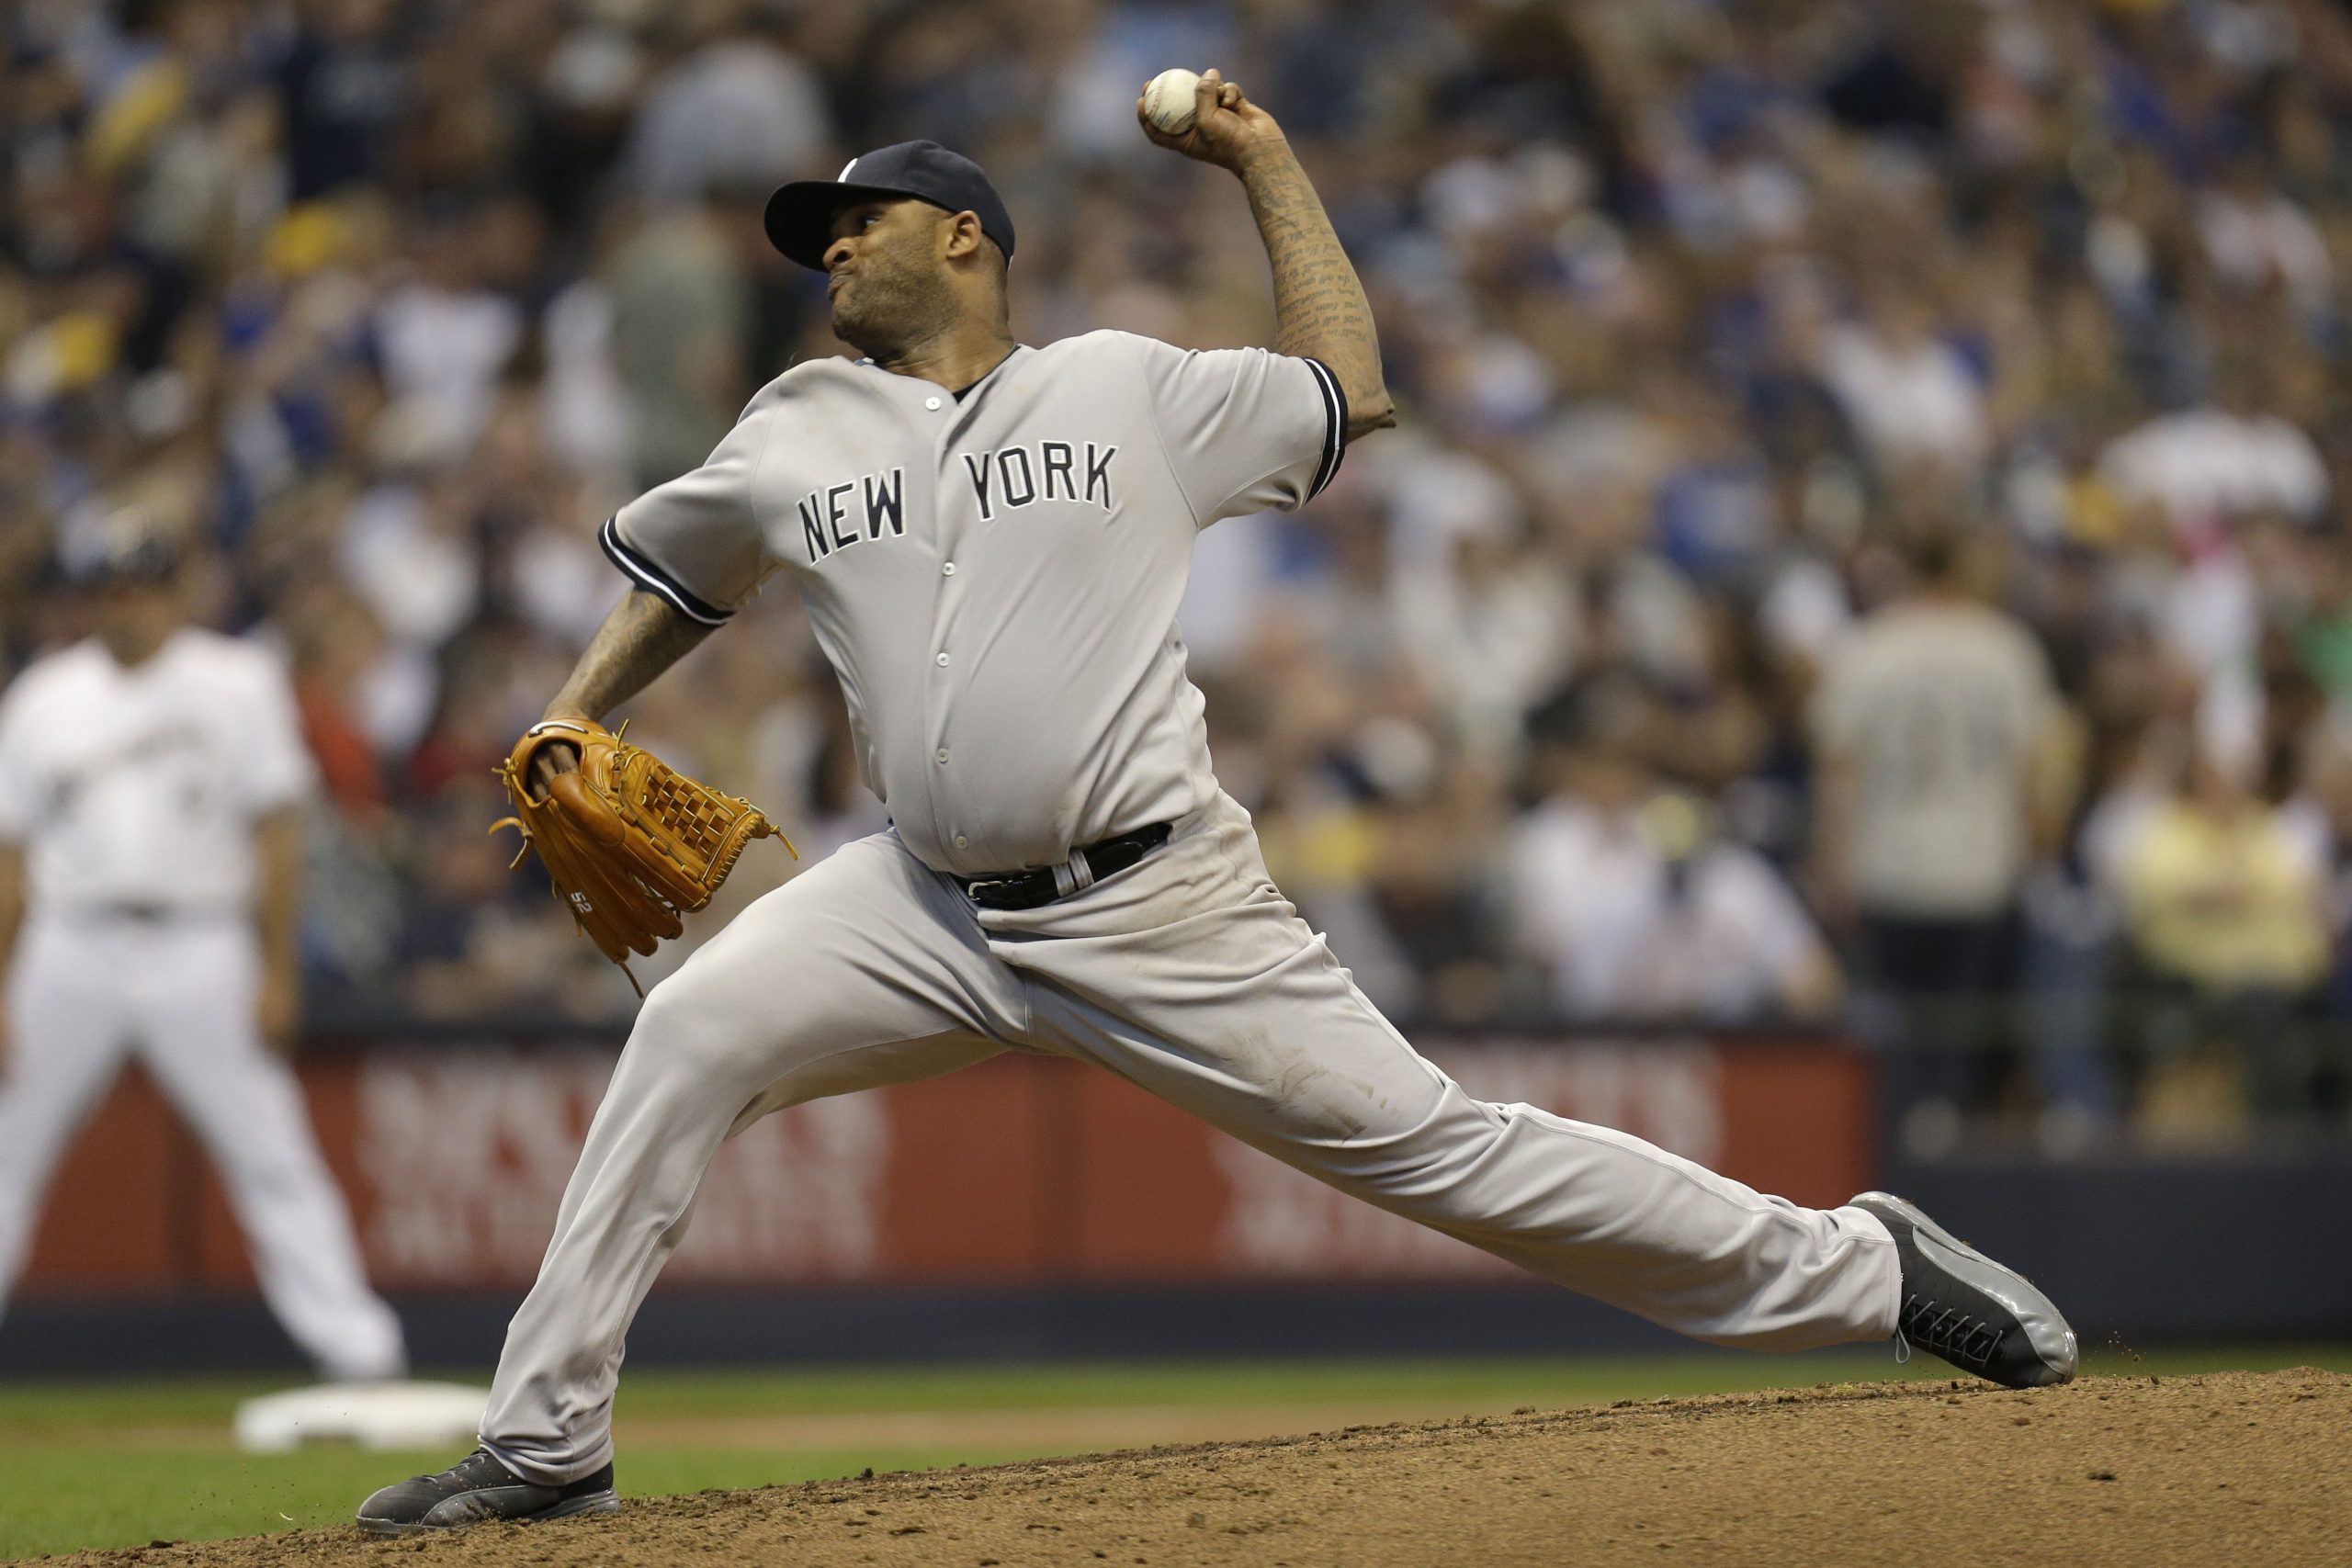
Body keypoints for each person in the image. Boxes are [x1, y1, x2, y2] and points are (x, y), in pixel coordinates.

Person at [357, 74, 2075, 1535]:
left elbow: (1349, 383)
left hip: (1154, 901)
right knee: (692, 1030)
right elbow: (684, 570)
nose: (829, 247)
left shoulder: (1125, 386)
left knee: (1447, 1155)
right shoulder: (797, 421)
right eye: (818, 230)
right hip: (923, 901)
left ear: (964, 238)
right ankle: (544, 1439)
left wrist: (1265, 164)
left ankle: (1865, 1265)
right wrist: (576, 707)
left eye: (858, 220)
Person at [0, 520, 406, 1385]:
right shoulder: (44, 695)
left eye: (142, 586)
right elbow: (11, 855)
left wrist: (278, 968)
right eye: (111, 588)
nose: (127, 604)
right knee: (7, 1148)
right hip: (69, 945)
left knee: (271, 1150)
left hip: (202, 944)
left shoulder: (236, 681)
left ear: (177, 590)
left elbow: (279, 832)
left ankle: (358, 1350)